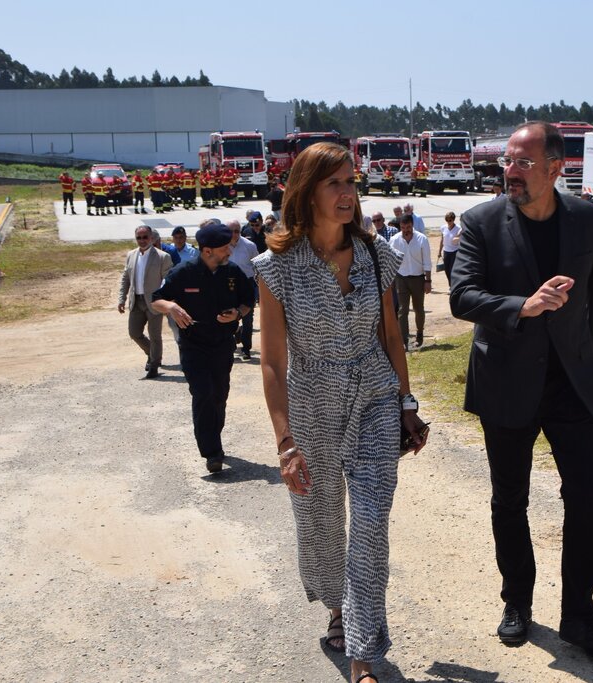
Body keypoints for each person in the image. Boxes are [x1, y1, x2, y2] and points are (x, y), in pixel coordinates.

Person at [254, 142, 427, 683]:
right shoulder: (276, 267)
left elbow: (392, 335)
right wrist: (285, 443)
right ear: (306, 193)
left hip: (374, 394)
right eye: (334, 184)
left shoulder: (377, 253)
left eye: (352, 182)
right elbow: (274, 364)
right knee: (323, 522)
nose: (348, 193)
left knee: (371, 520)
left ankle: (362, 653)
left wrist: (407, 401)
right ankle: (336, 606)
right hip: (313, 402)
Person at [449, 121, 593, 661]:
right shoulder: (479, 222)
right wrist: (521, 305)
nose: (511, 171)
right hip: (506, 378)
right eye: (508, 161)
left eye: (523, 162)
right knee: (510, 500)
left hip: (571, 380)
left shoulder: (587, 218)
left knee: (586, 498)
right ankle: (517, 602)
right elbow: (462, 297)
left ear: (555, 168)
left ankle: (579, 616)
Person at [152, 220, 254, 473]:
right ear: (207, 251)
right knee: (203, 393)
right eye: (224, 249)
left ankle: (213, 439)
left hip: (223, 344)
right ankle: (212, 452)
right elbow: (157, 300)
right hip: (193, 345)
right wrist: (172, 307)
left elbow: (248, 301)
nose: (229, 252)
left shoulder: (232, 273)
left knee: (219, 395)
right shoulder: (183, 272)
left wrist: (238, 314)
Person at [118, 225, 173, 378]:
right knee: (134, 333)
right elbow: (126, 278)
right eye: (139, 238)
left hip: (155, 302)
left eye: (145, 237)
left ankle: (154, 365)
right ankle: (152, 353)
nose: (142, 241)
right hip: (137, 301)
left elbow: (168, 281)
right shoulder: (131, 255)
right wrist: (121, 298)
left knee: (155, 335)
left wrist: (164, 300)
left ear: (152, 238)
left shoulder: (163, 257)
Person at [388, 214, 431, 349]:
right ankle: (404, 340)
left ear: (412, 225)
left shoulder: (421, 239)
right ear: (399, 227)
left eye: (408, 227)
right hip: (401, 278)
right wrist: (391, 280)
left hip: (418, 278)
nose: (406, 230)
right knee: (402, 310)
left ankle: (419, 334)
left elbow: (427, 262)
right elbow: (391, 261)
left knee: (419, 309)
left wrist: (428, 280)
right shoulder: (394, 240)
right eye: (403, 227)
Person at [225, 219, 259, 359]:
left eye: (237, 231)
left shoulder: (249, 246)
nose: (234, 234)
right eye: (230, 231)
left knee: (248, 318)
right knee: (229, 316)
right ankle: (232, 341)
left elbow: (258, 266)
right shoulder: (222, 246)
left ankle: (246, 348)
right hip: (228, 285)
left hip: (247, 284)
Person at [436, 211, 461, 287]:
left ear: (453, 220)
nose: (448, 222)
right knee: (447, 270)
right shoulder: (443, 227)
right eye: (447, 220)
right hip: (446, 251)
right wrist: (439, 251)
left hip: (455, 251)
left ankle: (453, 286)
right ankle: (451, 285)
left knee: (452, 270)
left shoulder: (458, 228)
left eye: (450, 220)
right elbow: (442, 240)